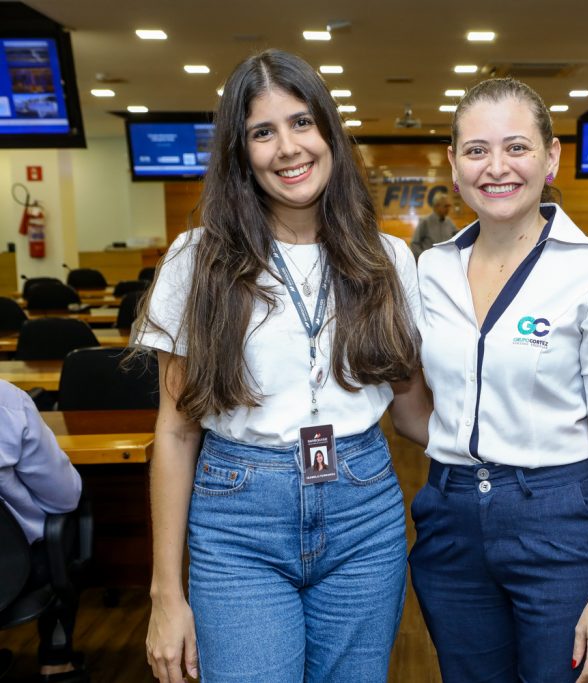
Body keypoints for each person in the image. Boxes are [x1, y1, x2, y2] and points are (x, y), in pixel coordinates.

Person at [139, 50, 427, 683]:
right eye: (262, 132)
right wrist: (165, 593)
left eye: (301, 123)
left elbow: (412, 411)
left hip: (363, 512)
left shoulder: (386, 259)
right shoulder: (197, 261)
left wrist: (525, 454)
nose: (288, 148)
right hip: (238, 518)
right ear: (240, 153)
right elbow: (176, 431)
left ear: (329, 132)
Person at [410, 77, 588, 683]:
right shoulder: (431, 270)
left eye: (516, 147)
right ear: (454, 164)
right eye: (477, 150)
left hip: (559, 522)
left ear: (551, 157)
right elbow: (411, 398)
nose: (497, 167)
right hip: (450, 521)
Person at [0, 379, 87, 682]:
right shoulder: (7, 402)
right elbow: (64, 497)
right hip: (13, 574)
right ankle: (56, 661)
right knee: (68, 522)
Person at [410, 192, 458, 259]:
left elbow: (457, 237)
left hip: (446, 261)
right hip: (430, 262)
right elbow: (414, 244)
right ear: (437, 206)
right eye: (446, 206)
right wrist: (424, 258)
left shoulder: (449, 222)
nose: (448, 209)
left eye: (449, 206)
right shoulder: (425, 222)